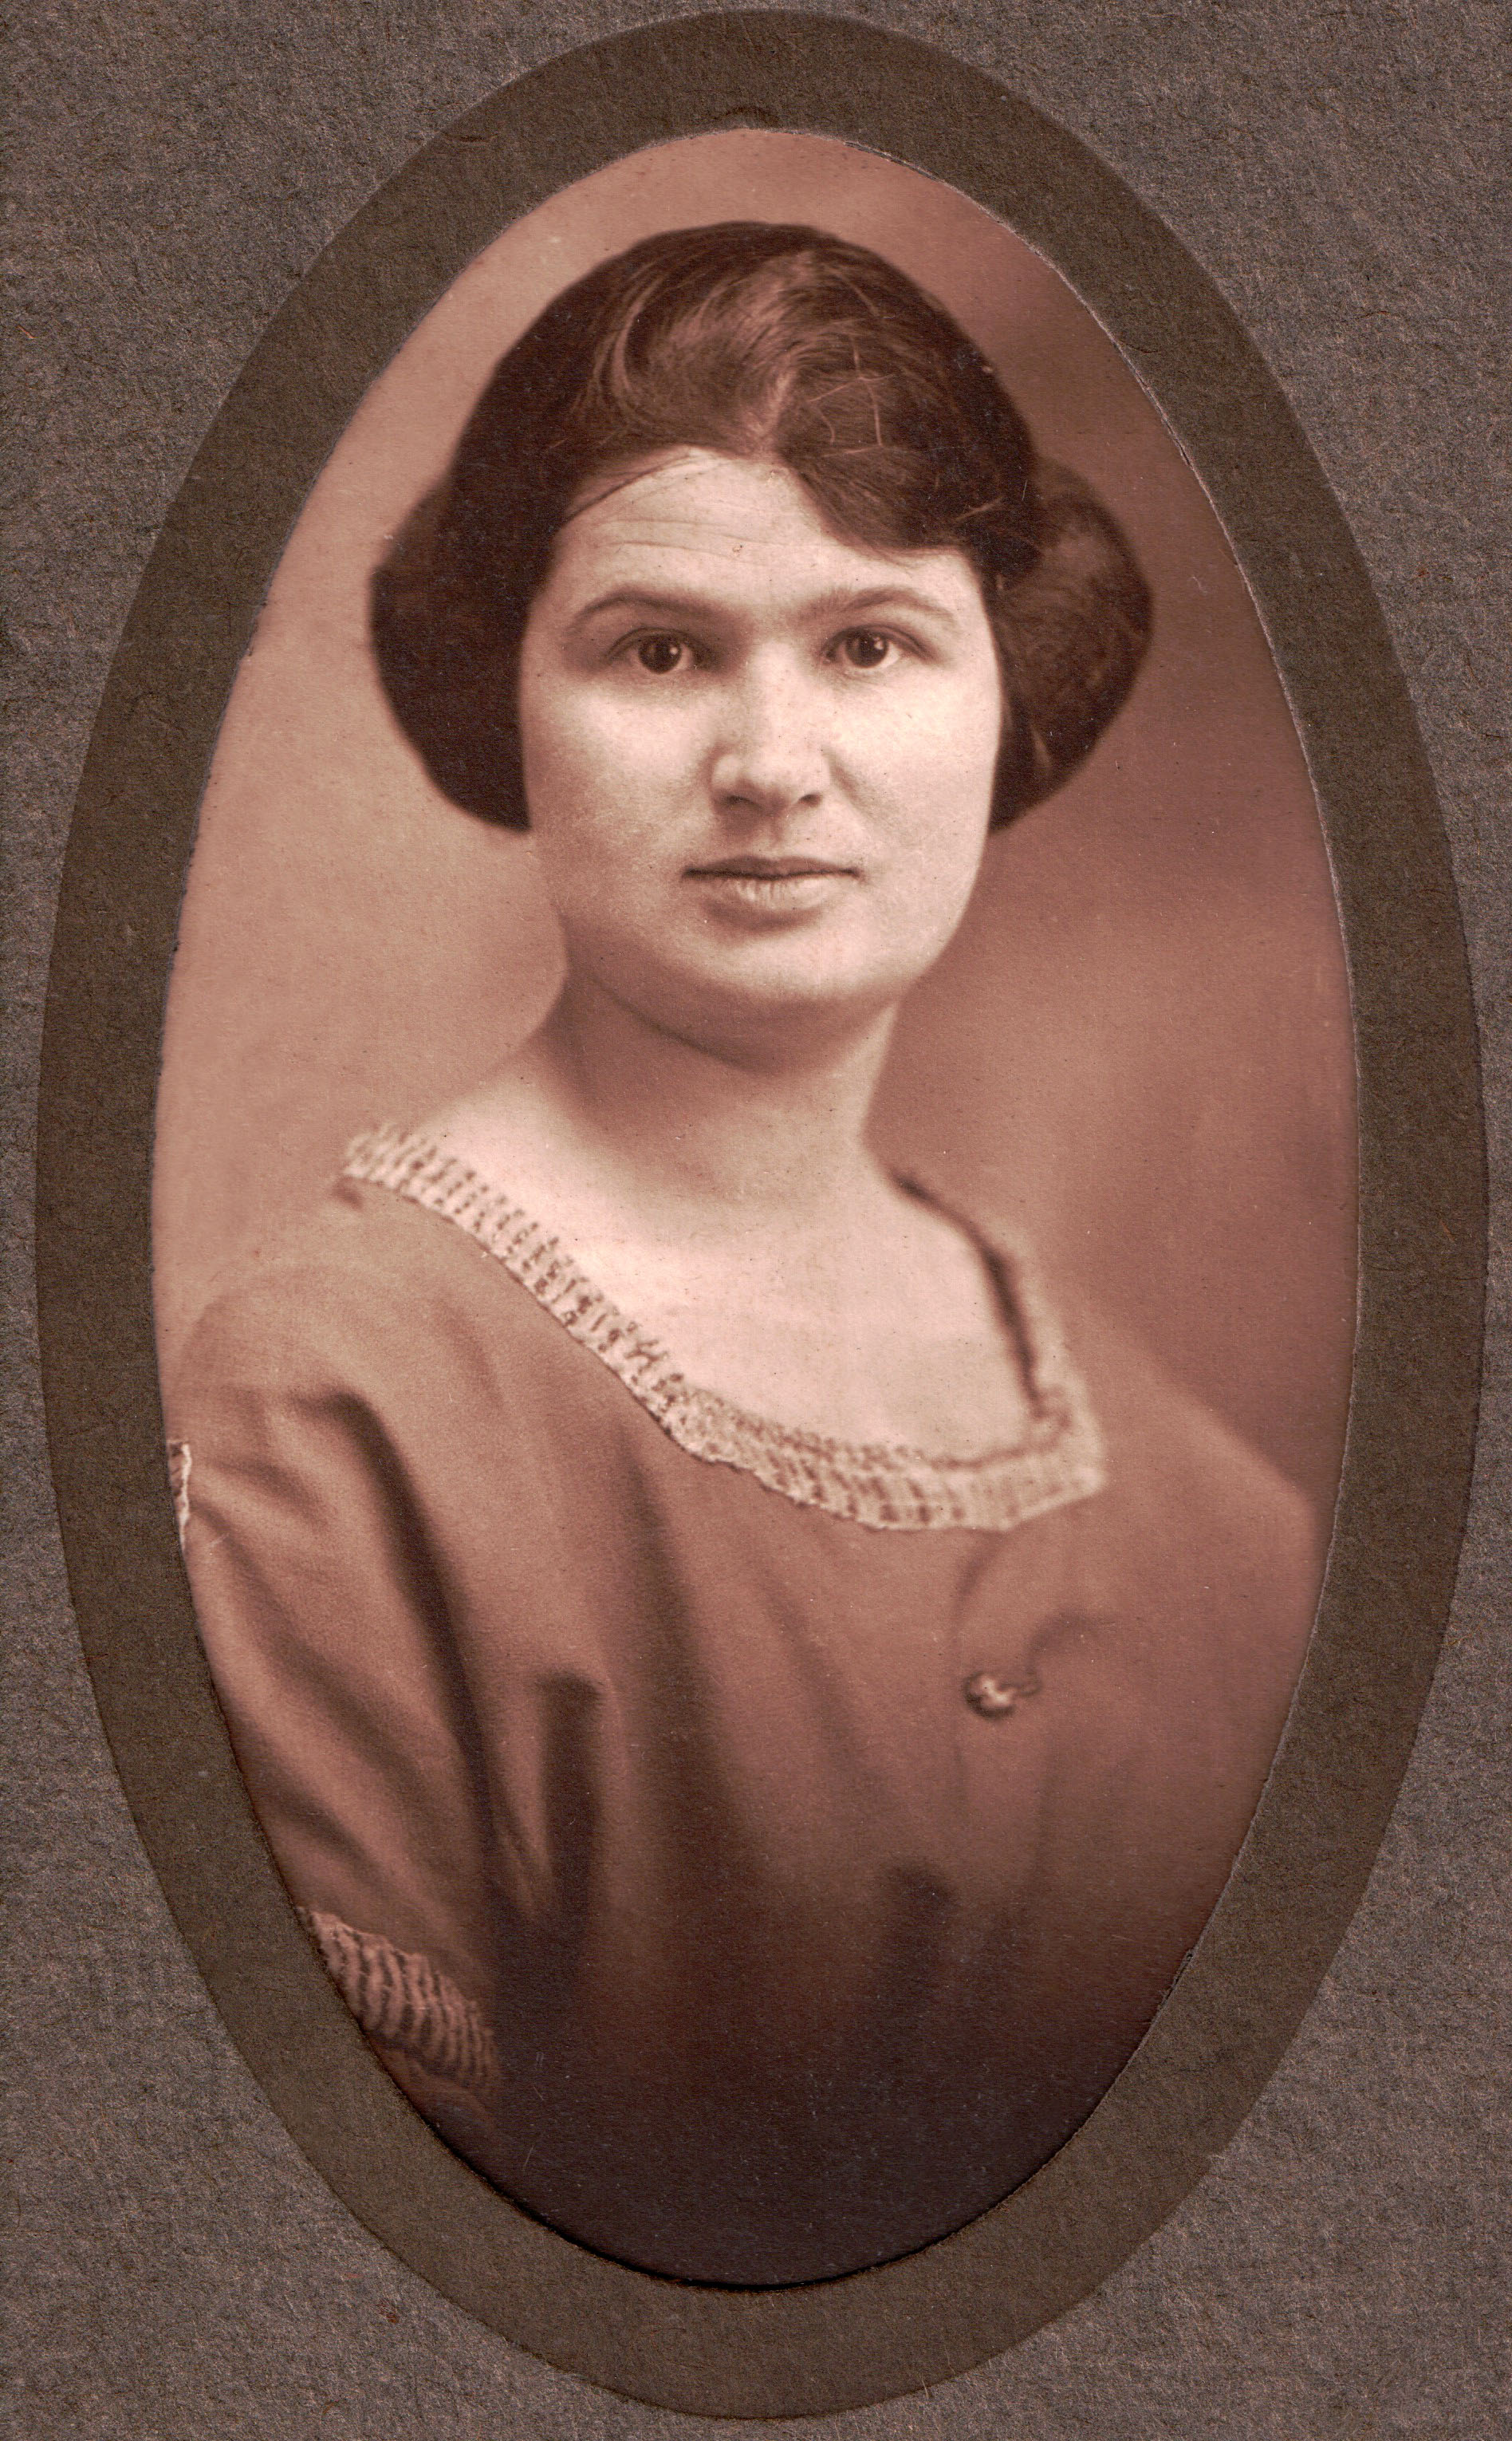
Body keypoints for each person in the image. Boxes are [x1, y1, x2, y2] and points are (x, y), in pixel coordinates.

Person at [166, 223, 1319, 2285]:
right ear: (511, 699)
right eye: (660, 651)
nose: (773, 765)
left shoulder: (1223, 1521)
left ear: (1008, 691)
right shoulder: (339, 1410)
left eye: (870, 644)